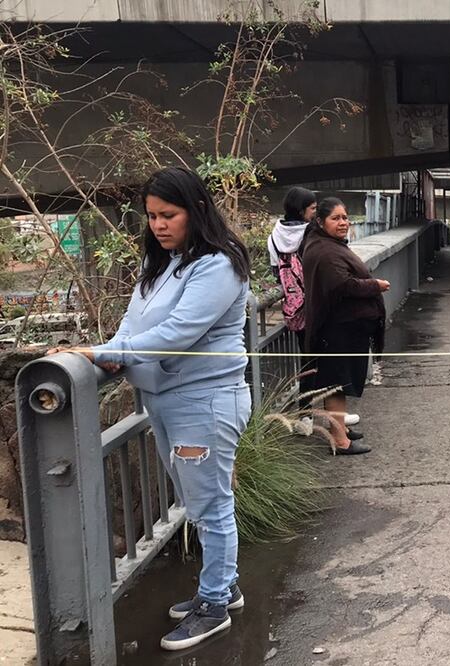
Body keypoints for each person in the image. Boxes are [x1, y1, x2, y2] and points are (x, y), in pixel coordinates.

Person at [53, 167, 253, 650]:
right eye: (152, 216)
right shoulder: (163, 261)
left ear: (196, 210)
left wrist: (106, 354)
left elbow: (178, 333)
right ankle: (223, 587)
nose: (159, 225)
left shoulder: (218, 264)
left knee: (211, 506)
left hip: (204, 402)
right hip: (166, 401)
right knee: (196, 502)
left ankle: (214, 606)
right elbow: (133, 323)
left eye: (169, 215)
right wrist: (110, 349)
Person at [302, 197, 390, 453]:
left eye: (345, 217)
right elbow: (343, 285)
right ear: (321, 222)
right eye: (335, 218)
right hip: (336, 329)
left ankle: (339, 429)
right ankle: (340, 441)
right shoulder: (325, 251)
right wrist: (375, 285)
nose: (343, 223)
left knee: (337, 382)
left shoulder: (326, 244)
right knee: (336, 383)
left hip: (342, 328)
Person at [267, 187, 359, 429]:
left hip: (296, 308)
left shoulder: (275, 235)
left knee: (308, 362)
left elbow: (276, 270)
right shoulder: (312, 233)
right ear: (302, 211)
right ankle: (335, 417)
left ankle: (304, 416)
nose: (315, 213)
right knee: (331, 362)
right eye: (313, 209)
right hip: (321, 304)